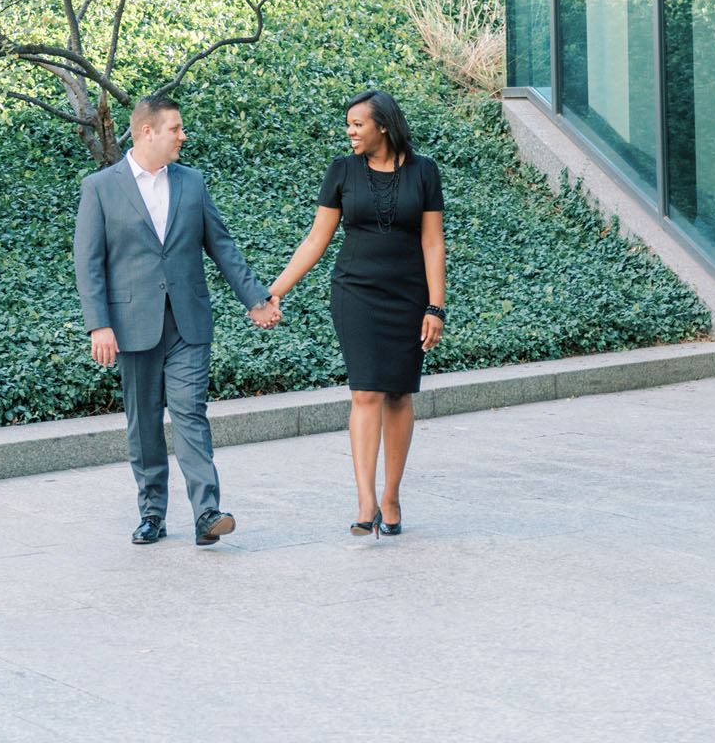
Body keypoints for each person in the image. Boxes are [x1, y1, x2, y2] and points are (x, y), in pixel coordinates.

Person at [73, 91, 280, 547]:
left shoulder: (192, 182)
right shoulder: (100, 188)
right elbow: (88, 262)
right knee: (143, 422)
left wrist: (256, 299)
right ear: (147, 131)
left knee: (191, 414)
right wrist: (98, 324)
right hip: (131, 326)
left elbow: (221, 246)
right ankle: (152, 514)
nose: (183, 136)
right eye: (176, 129)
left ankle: (207, 512)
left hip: (188, 322)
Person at [268, 89, 445, 537]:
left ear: (383, 125)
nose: (349, 132)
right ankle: (366, 500)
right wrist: (274, 291)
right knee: (365, 392)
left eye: (357, 124)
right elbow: (316, 239)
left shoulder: (424, 172)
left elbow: (432, 242)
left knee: (400, 394)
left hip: (408, 295)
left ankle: (392, 496)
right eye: (348, 124)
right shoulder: (342, 172)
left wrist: (435, 307)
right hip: (355, 292)